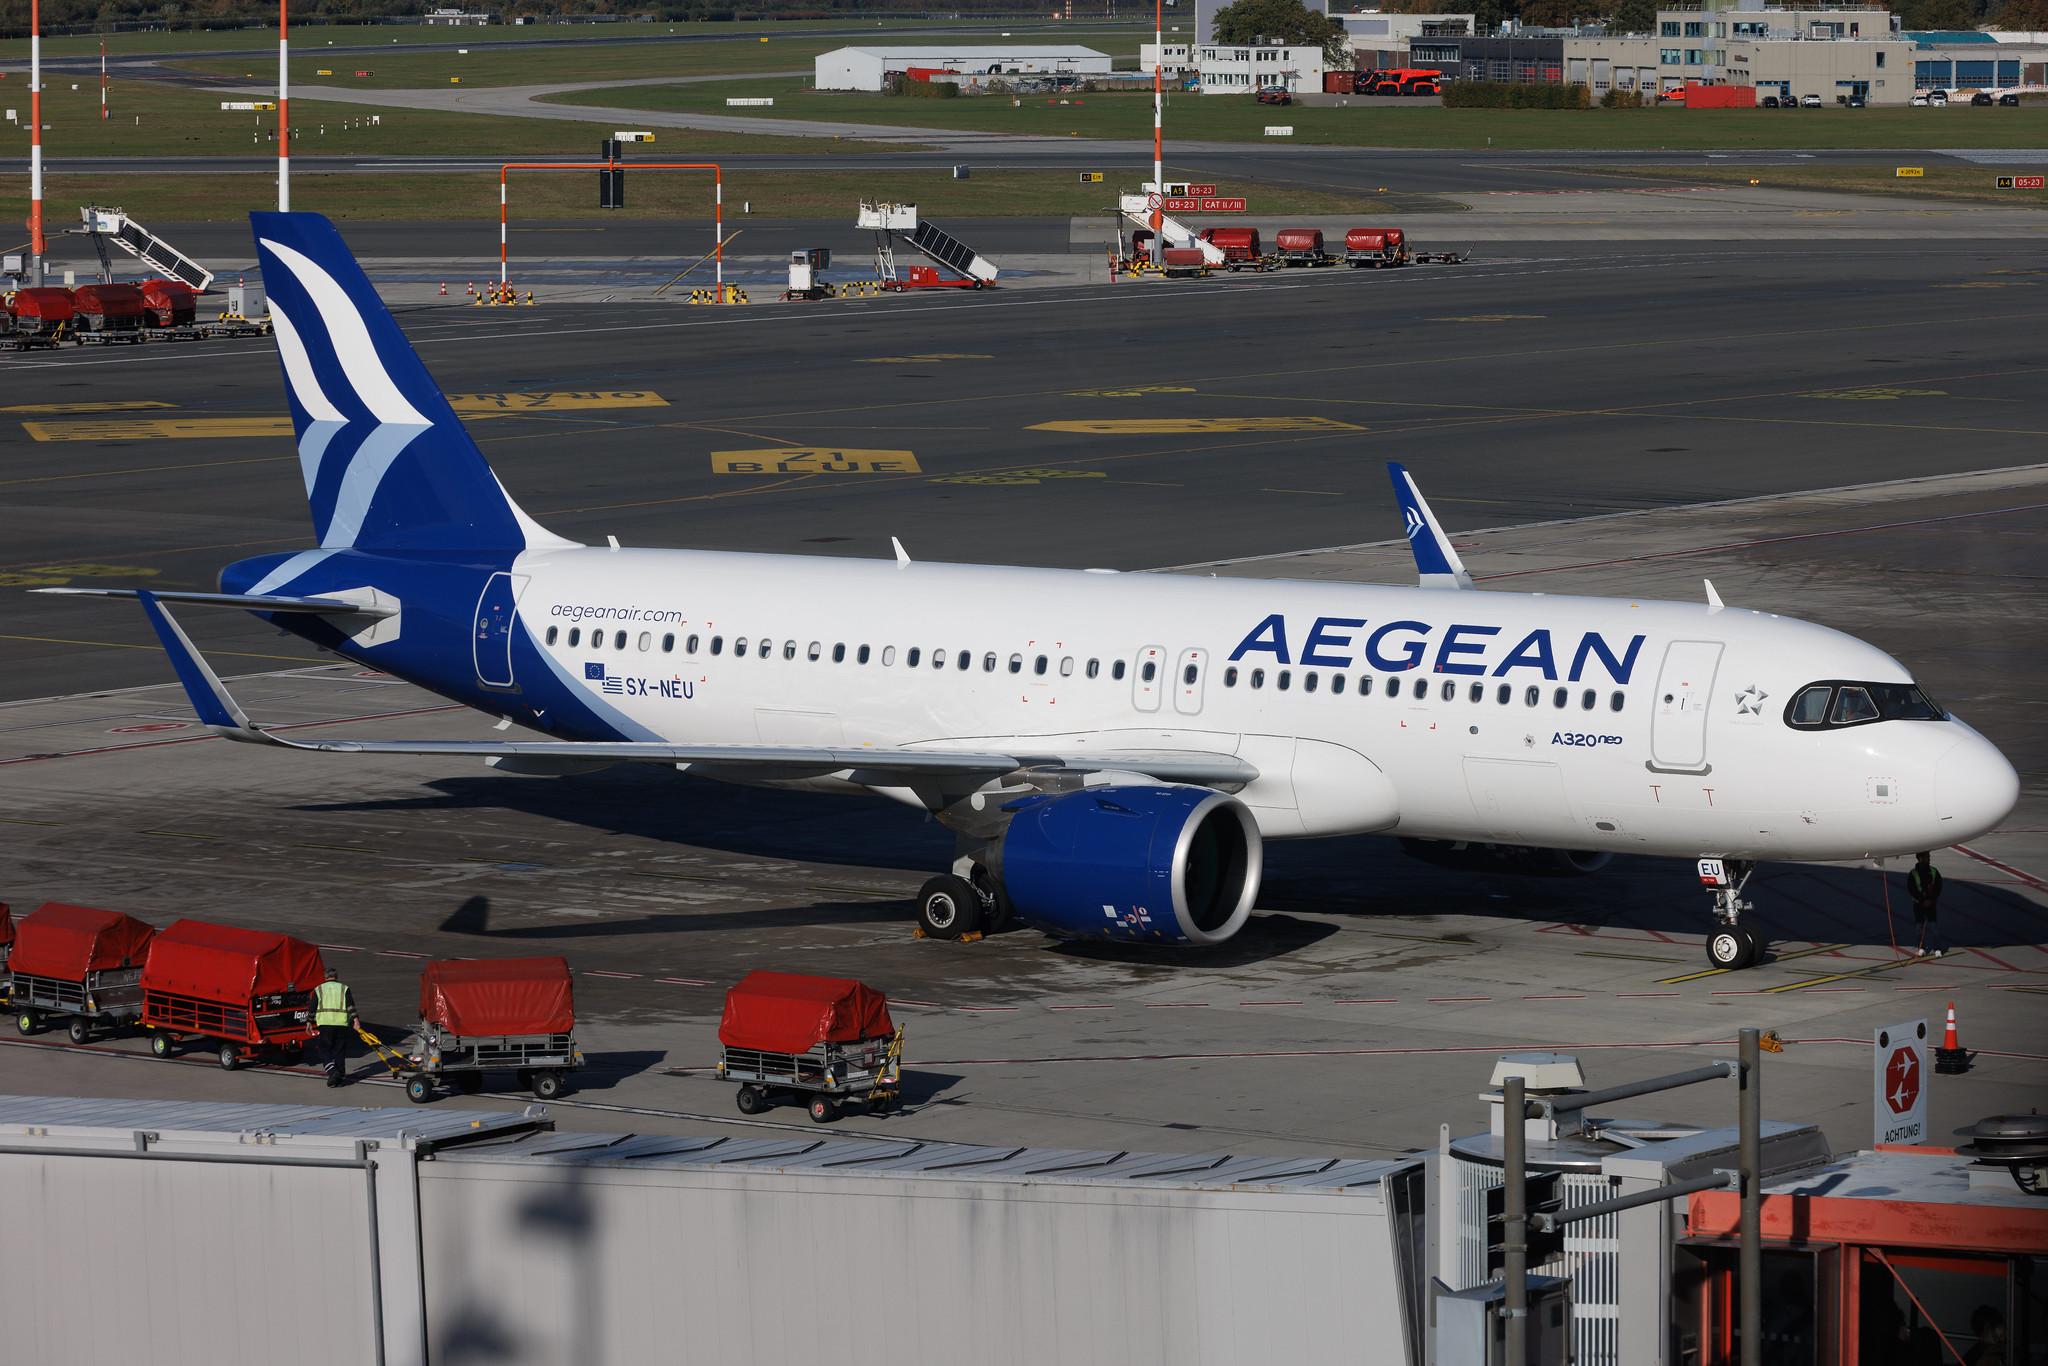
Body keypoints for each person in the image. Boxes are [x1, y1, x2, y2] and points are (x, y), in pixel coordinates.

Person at [311, 968, 358, 1088]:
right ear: (336, 977)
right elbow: (350, 1006)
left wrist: (308, 1022)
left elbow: (312, 1008)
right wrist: (356, 1021)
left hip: (325, 1024)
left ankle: (332, 1071)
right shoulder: (344, 988)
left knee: (323, 1050)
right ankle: (340, 1077)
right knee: (339, 1051)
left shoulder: (319, 989)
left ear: (325, 977)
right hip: (341, 1024)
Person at [1908, 851, 1944, 958]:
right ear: (1920, 859)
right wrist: (1921, 900)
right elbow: (1911, 889)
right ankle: (1921, 948)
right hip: (1918, 905)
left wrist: (1931, 900)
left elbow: (1938, 887)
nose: (1929, 858)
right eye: (1927, 857)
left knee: (1934, 927)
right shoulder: (1913, 874)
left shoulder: (1934, 871)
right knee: (1919, 928)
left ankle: (1937, 948)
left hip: (1931, 904)